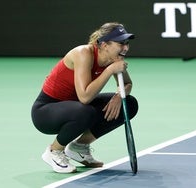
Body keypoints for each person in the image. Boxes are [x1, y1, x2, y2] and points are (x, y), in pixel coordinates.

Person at [31, 22, 138, 173]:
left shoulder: (113, 59)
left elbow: (127, 84)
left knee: (130, 103)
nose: (126, 48)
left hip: (74, 108)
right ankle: (54, 151)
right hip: (46, 112)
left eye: (127, 43)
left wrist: (118, 97)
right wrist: (109, 70)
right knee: (85, 110)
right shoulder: (83, 53)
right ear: (104, 44)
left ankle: (79, 147)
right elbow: (85, 98)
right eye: (121, 43)